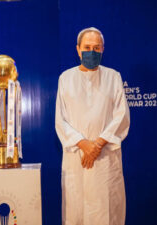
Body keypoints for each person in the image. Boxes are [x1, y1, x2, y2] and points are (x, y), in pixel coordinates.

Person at [55, 27, 130, 225]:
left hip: (105, 159)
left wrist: (97, 144)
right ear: (78, 50)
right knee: (76, 211)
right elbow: (60, 120)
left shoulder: (113, 77)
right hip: (76, 158)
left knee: (106, 211)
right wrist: (83, 144)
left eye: (96, 47)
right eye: (87, 47)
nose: (92, 52)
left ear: (103, 49)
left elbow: (121, 116)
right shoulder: (65, 78)